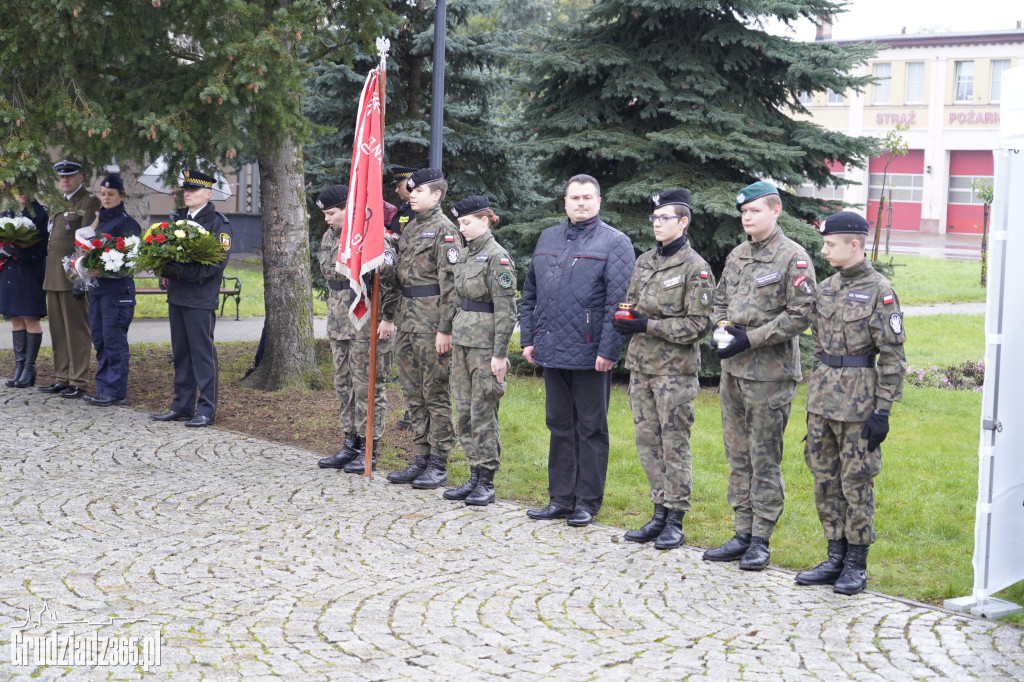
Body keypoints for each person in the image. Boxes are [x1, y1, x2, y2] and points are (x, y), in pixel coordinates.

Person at [704, 181, 816, 571]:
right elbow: (720, 299)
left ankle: (762, 540)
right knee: (737, 456)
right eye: (744, 212)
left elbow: (801, 314)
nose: (747, 218)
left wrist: (749, 339)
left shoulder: (793, 258)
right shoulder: (737, 255)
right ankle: (741, 532)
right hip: (733, 372)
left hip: (770, 375)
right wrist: (722, 327)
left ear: (776, 210)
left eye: (754, 211)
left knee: (763, 457)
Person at [796, 211, 906, 595]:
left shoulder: (880, 291)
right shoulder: (826, 288)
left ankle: (856, 563)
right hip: (822, 401)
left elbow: (893, 357)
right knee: (824, 479)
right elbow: (818, 348)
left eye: (831, 244)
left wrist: (883, 411)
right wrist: (813, 393)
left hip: (859, 404)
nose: (824, 250)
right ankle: (834, 555)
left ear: (854, 245)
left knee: (856, 482)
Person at [520, 174, 635, 527]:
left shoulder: (616, 243)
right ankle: (560, 498)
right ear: (565, 203)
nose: (581, 203)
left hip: (590, 354)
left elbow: (619, 304)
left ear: (598, 201)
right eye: (574, 198)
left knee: (590, 428)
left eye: (587, 197)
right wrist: (528, 338)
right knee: (558, 424)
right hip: (551, 349)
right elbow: (530, 294)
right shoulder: (549, 237)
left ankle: (587, 502)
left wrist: (608, 350)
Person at [613, 189, 715, 549]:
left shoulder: (695, 268)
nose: (657, 224)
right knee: (647, 443)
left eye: (665, 218)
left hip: (675, 372)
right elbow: (636, 304)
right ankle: (658, 511)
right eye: (654, 219)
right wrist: (627, 320)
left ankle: (676, 518)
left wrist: (647, 326)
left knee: (674, 444)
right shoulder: (645, 261)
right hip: (642, 367)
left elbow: (699, 326)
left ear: (683, 222)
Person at [314, 184, 399, 473]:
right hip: (339, 322)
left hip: (366, 322)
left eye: (331, 213)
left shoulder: (369, 236)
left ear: (347, 209)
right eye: (325, 214)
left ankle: (369, 447)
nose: (327, 218)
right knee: (344, 385)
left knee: (368, 387)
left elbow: (390, 277)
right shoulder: (330, 235)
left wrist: (388, 318)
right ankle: (350, 443)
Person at [387, 168, 460, 489]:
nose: (411, 194)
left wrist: (445, 329)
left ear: (437, 195)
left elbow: (452, 285)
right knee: (413, 393)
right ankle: (420, 455)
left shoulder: (446, 231)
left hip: (432, 323)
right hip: (406, 320)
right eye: (411, 191)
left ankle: (439, 462)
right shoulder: (412, 227)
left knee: (435, 392)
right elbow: (401, 278)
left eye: (419, 191)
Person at [442, 195, 518, 506]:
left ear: (486, 220)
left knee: (483, 411)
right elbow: (455, 297)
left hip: (486, 347)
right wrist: (446, 330)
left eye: (468, 223)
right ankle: (473, 473)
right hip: (462, 343)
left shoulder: (497, 258)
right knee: (463, 411)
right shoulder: (463, 254)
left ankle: (487, 479)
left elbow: (506, 311)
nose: (463, 229)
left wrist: (500, 354)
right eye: (460, 224)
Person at [151, 169, 232, 427]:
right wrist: (165, 270)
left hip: (200, 297)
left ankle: (206, 409)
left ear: (208, 194)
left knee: (202, 354)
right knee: (181, 354)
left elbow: (215, 265)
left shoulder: (218, 222)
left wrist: (179, 271)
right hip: (177, 295)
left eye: (193, 190)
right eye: (185, 189)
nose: (187, 193)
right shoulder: (177, 218)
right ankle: (182, 405)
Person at [39, 159, 100, 399]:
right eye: (61, 176)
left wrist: (80, 279)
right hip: (53, 277)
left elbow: (87, 244)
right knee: (58, 331)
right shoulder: (58, 203)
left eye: (70, 176)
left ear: (80, 177)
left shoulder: (89, 202)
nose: (64, 180)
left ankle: (79, 380)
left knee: (76, 330)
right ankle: (62, 377)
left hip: (73, 278)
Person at [83, 174, 141, 407]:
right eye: (103, 194)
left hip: (118, 292)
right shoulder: (101, 221)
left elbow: (131, 261)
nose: (106, 198)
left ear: (121, 196)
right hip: (99, 290)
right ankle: (103, 387)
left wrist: (104, 270)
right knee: (99, 339)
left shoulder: (127, 224)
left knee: (114, 341)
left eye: (111, 194)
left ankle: (115, 390)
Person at [1, 186, 49, 388]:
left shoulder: (40, 214)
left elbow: (43, 247)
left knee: (30, 320)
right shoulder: (7, 212)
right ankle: (19, 367)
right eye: (18, 189)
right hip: (10, 273)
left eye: (26, 187)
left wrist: (18, 252)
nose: (22, 193)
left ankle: (30, 368)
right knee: (16, 321)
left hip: (30, 272)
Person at [387, 165, 417, 238]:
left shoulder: (419, 209)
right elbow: (393, 227)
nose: (396, 190)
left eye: (399, 186)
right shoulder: (405, 207)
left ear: (411, 184)